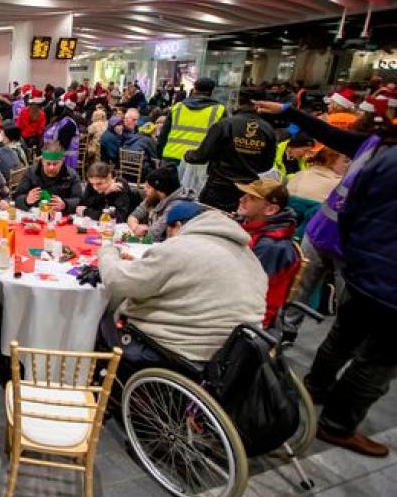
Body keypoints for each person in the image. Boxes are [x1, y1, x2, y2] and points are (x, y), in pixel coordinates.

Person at [256, 99, 397, 456]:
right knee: (378, 360)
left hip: (358, 260)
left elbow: (333, 141)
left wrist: (289, 111)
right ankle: (337, 424)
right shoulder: (380, 151)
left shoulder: (377, 151)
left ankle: (317, 385)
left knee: (345, 334)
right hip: (386, 279)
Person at [98, 204, 266, 379]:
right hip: (236, 356)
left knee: (104, 318)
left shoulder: (181, 247)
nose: (167, 238)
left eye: (168, 232)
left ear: (177, 226)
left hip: (183, 349)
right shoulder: (249, 256)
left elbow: (118, 280)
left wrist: (108, 252)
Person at [184, 89, 277, 212]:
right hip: (247, 192)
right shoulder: (268, 130)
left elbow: (200, 156)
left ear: (239, 102)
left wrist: (188, 155)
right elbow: (266, 165)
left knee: (208, 223)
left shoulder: (225, 125)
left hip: (219, 188)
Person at [235, 179, 300, 329]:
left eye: (251, 198)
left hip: (249, 320)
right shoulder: (251, 227)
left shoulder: (271, 246)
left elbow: (250, 291)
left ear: (270, 210)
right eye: (244, 194)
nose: (241, 199)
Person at [157, 77, 227, 165]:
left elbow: (163, 135)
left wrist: (159, 156)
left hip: (171, 157)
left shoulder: (177, 107)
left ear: (194, 89)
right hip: (198, 161)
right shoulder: (219, 110)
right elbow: (222, 140)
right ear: (212, 92)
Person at [126, 166, 197, 241]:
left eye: (148, 187)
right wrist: (135, 227)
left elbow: (154, 234)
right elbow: (134, 215)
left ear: (160, 190)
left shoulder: (177, 206)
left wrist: (145, 231)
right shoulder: (154, 197)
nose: (145, 189)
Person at [13, 141, 83, 214]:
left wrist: (65, 204)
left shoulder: (71, 176)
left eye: (55, 164)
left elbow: (79, 200)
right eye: (48, 163)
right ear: (42, 161)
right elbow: (16, 198)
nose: (51, 167)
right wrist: (26, 200)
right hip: (35, 215)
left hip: (60, 216)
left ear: (62, 162)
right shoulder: (31, 173)